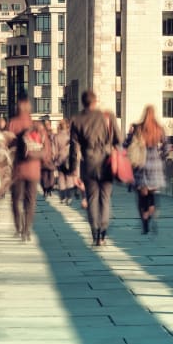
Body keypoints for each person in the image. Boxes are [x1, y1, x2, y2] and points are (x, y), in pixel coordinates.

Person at [70, 90, 121, 246]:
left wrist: (74, 169)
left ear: (82, 102)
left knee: (92, 199)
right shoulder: (107, 116)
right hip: (106, 162)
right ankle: (103, 235)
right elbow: (119, 139)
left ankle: (94, 233)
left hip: (89, 163)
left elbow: (74, 148)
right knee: (105, 198)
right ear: (95, 101)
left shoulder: (77, 120)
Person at [123, 105, 169, 235]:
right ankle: (150, 213)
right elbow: (166, 147)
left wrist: (129, 136)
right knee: (152, 195)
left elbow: (126, 145)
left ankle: (144, 222)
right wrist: (161, 156)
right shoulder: (159, 128)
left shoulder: (138, 128)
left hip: (141, 165)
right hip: (155, 165)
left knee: (141, 197)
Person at [8, 95, 48, 241]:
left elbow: (7, 146)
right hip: (33, 169)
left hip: (17, 170)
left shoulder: (12, 123)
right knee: (30, 201)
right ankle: (26, 230)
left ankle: (18, 227)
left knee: (15, 199)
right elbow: (46, 149)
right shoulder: (36, 125)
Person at [53, 120, 77, 205]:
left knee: (61, 179)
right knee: (69, 179)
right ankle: (69, 196)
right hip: (69, 159)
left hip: (59, 160)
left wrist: (55, 160)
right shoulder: (70, 136)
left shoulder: (56, 137)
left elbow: (54, 150)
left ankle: (62, 197)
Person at [39, 119, 58, 199]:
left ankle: (48, 189)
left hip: (50, 157)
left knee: (49, 174)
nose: (47, 126)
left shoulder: (51, 135)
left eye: (48, 124)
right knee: (45, 175)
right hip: (46, 157)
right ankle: (46, 190)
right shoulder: (44, 135)